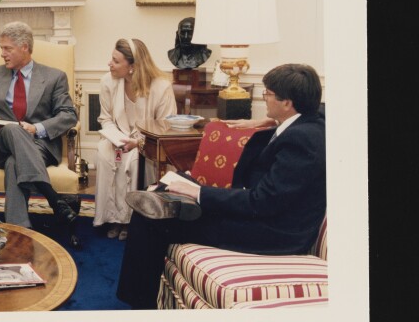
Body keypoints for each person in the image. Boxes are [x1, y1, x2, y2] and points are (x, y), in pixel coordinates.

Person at [116, 63, 326, 309]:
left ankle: (141, 307)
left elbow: (263, 202)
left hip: (273, 233)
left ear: (288, 102)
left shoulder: (302, 140)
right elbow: (323, 109)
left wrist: (200, 193)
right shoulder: (307, 122)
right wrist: (269, 120)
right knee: (171, 189)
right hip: (261, 213)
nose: (264, 98)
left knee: (151, 220)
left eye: (267, 94)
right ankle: (172, 199)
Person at [0, 21, 81, 247]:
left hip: (38, 144)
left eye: (7, 48)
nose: (2, 54)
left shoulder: (54, 77)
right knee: (12, 129)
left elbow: (68, 114)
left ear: (25, 47)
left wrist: (36, 128)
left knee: (13, 162)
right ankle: (53, 199)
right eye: (1, 48)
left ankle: (19, 231)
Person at [94, 38, 177, 241]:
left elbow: (165, 127)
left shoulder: (161, 87)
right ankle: (111, 218)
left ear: (132, 67)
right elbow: (105, 118)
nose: (109, 64)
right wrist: (116, 137)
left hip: (148, 143)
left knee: (133, 159)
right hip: (117, 137)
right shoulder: (108, 81)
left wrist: (137, 143)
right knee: (104, 152)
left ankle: (131, 220)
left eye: (115, 61)